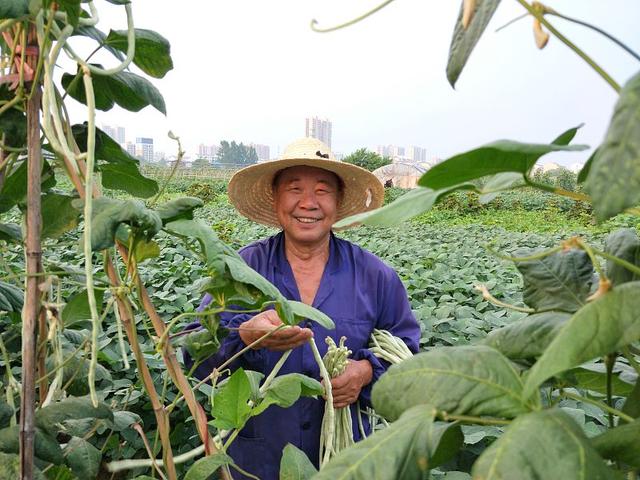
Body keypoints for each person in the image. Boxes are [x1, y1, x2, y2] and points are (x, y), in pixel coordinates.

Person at [185, 138, 420, 479]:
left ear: (338, 204)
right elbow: (194, 354)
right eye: (294, 188)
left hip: (342, 460)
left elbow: (407, 355)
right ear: (276, 198)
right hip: (254, 462)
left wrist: (366, 372)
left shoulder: (376, 277)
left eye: (323, 191)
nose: (308, 203)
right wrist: (245, 335)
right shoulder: (241, 270)